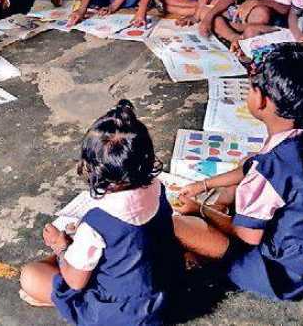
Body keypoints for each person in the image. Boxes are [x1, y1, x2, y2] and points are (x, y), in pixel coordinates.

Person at [173, 43, 303, 301]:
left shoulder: (270, 170)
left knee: (177, 224)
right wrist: (203, 185)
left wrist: (200, 210)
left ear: (262, 100)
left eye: (251, 87)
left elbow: (248, 237)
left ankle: (200, 261)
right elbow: (251, 165)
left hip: (282, 273)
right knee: (245, 173)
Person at [19, 100, 185, 325]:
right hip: (167, 295)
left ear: (93, 169)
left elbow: (75, 282)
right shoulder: (158, 189)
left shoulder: (98, 223)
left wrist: (61, 247)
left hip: (123, 314)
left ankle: (60, 303)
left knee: (30, 275)